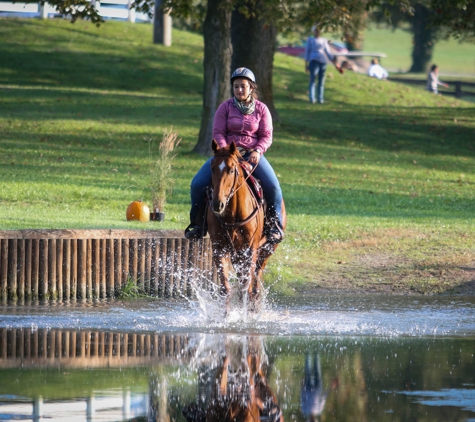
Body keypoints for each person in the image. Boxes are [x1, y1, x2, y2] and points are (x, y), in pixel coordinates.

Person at [184, 67, 284, 244]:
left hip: (252, 156)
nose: (239, 90)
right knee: (197, 184)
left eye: (243, 86)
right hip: (227, 156)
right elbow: (218, 132)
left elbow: (267, 136)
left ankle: (273, 226)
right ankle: (198, 225)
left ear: (251, 88)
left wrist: (258, 151)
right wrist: (224, 151)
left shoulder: (262, 109)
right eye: (236, 86)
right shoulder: (225, 108)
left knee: (274, 188)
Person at [305, 25, 340, 104]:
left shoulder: (324, 41)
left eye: (318, 30)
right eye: (316, 30)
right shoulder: (310, 40)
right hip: (313, 61)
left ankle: (320, 99)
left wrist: (335, 63)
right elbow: (307, 52)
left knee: (321, 81)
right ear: (314, 31)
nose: (317, 32)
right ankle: (312, 98)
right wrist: (306, 65)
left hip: (322, 62)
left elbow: (328, 53)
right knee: (313, 80)